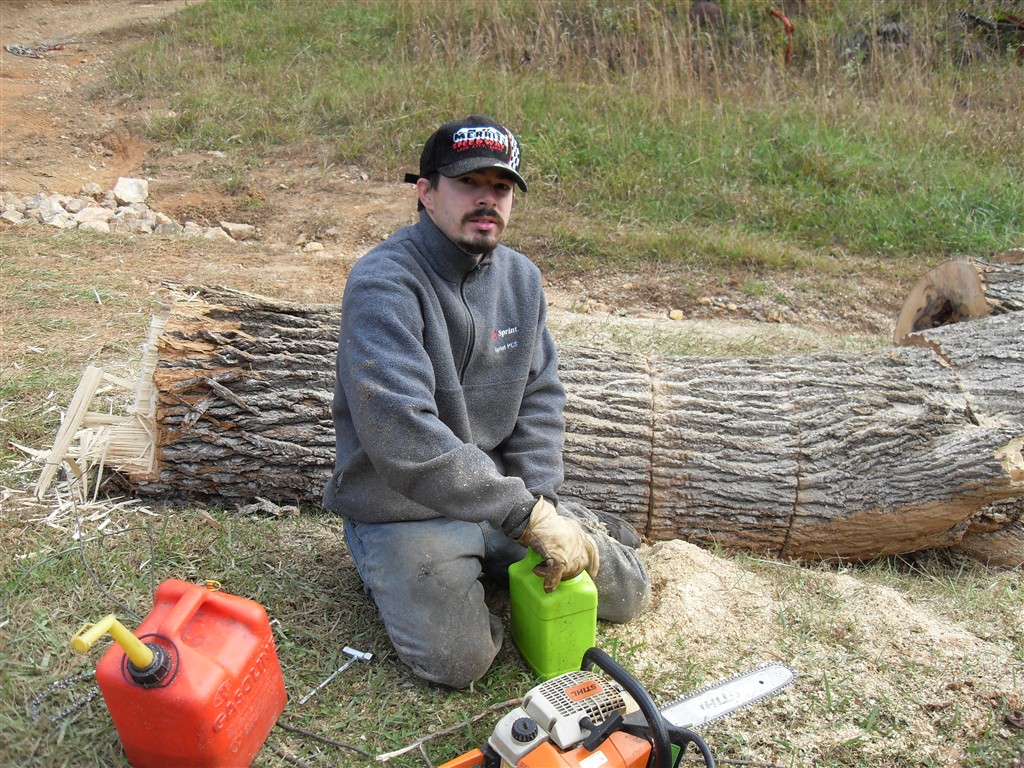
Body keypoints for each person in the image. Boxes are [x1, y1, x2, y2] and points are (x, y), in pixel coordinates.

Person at [323, 115, 650, 688]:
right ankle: (383, 558)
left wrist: (541, 503)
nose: (487, 199)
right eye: (468, 183)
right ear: (426, 193)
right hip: (402, 507)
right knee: (458, 661)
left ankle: (564, 529)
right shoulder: (384, 283)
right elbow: (402, 434)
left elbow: (540, 398)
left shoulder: (521, 279)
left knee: (629, 594)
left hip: (498, 497)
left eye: (500, 187)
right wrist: (525, 517)